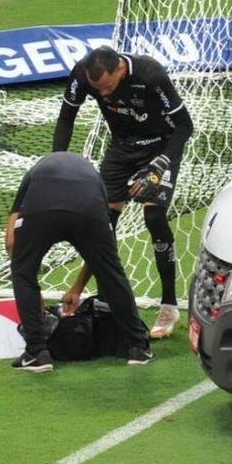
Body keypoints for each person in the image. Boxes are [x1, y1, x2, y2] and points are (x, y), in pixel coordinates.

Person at [53, 46, 194, 339]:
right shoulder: (82, 74)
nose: (103, 95)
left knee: (154, 217)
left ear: (119, 69)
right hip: (122, 148)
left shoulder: (150, 74)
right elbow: (67, 117)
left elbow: (184, 126)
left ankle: (169, 304)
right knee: (101, 226)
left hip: (161, 146)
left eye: (106, 87)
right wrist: (55, 164)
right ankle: (106, 302)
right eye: (97, 90)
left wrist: (158, 166)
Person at [6, 152, 153, 372]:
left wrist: (31, 287)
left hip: (42, 209)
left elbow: (11, 242)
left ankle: (37, 352)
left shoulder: (34, 173)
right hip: (88, 207)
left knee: (22, 273)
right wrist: (77, 289)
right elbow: (101, 259)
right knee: (112, 272)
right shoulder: (94, 178)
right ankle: (138, 347)